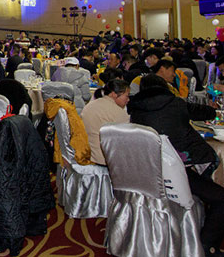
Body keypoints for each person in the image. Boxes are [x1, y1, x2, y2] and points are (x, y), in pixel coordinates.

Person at [129, 74, 224, 257]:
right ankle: (207, 245)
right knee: (220, 196)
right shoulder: (175, 104)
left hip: (149, 172)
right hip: (176, 170)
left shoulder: (135, 110)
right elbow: (205, 112)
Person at [80, 79, 130, 165]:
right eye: (127, 96)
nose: (128, 100)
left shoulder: (89, 105)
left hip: (86, 155)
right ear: (114, 94)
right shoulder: (119, 113)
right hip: (105, 160)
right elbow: (125, 143)